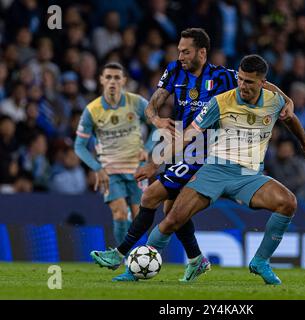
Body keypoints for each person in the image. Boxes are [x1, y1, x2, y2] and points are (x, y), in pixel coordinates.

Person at [91, 28, 294, 282]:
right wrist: (157, 120)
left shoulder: (222, 76)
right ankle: (196, 259)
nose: (181, 55)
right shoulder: (175, 71)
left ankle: (119, 254)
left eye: (185, 51)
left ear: (202, 52)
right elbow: (152, 106)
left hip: (206, 151)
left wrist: (288, 102)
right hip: (182, 143)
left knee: (152, 195)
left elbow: (263, 84)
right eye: (179, 50)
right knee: (171, 209)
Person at [143, 54, 305, 285]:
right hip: (215, 170)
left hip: (249, 176)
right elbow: (187, 136)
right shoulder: (220, 101)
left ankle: (260, 262)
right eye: (241, 79)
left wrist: (304, 140)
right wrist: (156, 163)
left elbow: (291, 119)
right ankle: (138, 265)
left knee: (288, 202)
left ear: (262, 82)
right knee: (173, 219)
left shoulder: (274, 101)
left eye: (249, 82)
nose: (243, 85)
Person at [74, 62, 155, 252]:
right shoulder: (92, 110)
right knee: (119, 214)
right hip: (110, 172)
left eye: (117, 77)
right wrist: (97, 168)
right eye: (108, 77)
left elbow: (157, 127)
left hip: (137, 170)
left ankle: (137, 256)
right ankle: (125, 257)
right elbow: (79, 146)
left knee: (138, 217)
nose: (112, 81)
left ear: (124, 81)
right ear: (101, 80)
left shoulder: (137, 102)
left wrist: (148, 148)